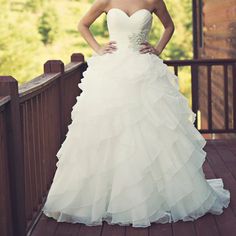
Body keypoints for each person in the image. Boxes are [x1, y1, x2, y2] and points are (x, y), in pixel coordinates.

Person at [42, 0, 230, 228]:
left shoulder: (153, 1)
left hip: (144, 71)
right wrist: (98, 48)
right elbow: (83, 24)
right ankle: (107, 199)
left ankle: (152, 198)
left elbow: (169, 26)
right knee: (109, 131)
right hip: (112, 72)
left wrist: (158, 48)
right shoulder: (107, 0)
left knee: (152, 130)